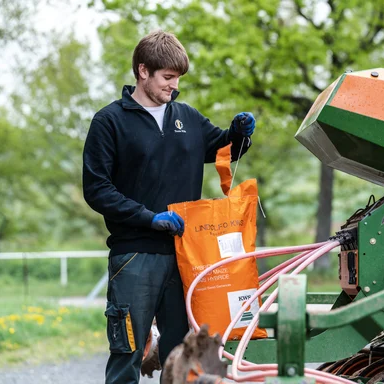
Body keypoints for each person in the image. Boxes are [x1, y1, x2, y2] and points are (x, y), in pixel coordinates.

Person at [82, 30, 255, 384]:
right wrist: (149, 219)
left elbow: (224, 150)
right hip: (134, 257)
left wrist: (239, 135)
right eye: (167, 77)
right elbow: (97, 189)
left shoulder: (187, 118)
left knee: (184, 354)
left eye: (177, 79)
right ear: (143, 71)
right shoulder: (109, 122)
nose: (173, 87)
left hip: (186, 257)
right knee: (127, 352)